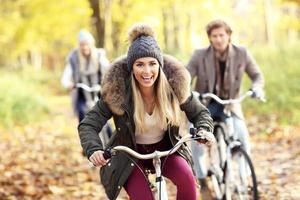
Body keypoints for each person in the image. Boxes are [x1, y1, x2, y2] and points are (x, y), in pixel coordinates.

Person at [78, 23, 215, 200]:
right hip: (131, 156)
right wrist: (94, 149)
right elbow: (88, 124)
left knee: (188, 180)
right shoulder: (118, 93)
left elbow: (200, 113)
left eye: (152, 64)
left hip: (166, 150)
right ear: (131, 67)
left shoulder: (174, 88)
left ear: (160, 65)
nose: (147, 71)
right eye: (139, 64)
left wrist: (204, 129)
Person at [187, 19, 265, 198]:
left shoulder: (242, 53)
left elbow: (257, 75)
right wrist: (189, 93)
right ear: (210, 38)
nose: (218, 39)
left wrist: (257, 88)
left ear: (229, 35)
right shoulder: (199, 55)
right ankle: (202, 178)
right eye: (214, 36)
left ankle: (246, 179)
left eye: (222, 35)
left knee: (243, 138)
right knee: (197, 142)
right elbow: (186, 75)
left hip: (231, 105)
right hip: (205, 104)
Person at [61, 29, 110, 123]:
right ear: (79, 46)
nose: (85, 47)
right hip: (82, 93)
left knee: (104, 117)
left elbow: (108, 68)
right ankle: (85, 136)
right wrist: (69, 85)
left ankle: (109, 135)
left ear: (92, 44)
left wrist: (109, 82)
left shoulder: (99, 55)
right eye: (82, 45)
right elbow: (64, 78)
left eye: (87, 44)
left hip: (99, 91)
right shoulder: (74, 58)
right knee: (82, 114)